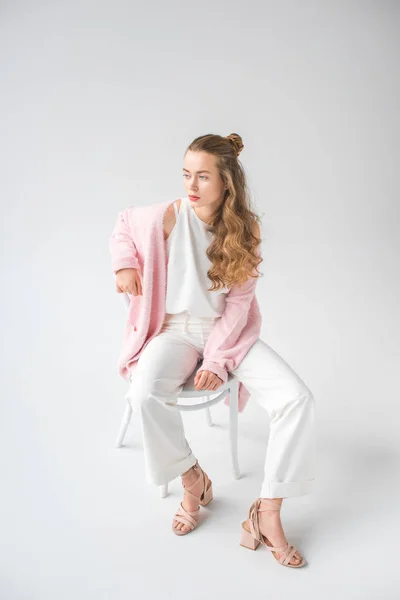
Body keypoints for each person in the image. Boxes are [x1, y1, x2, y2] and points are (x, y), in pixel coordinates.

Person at [110, 133, 315, 569]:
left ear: (227, 182)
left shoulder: (247, 228)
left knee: (297, 399)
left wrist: (220, 361)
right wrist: (125, 264)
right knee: (145, 392)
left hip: (229, 335)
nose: (192, 184)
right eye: (187, 174)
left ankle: (268, 512)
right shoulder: (167, 217)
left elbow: (239, 305)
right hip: (174, 331)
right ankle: (192, 478)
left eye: (203, 176)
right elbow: (124, 224)